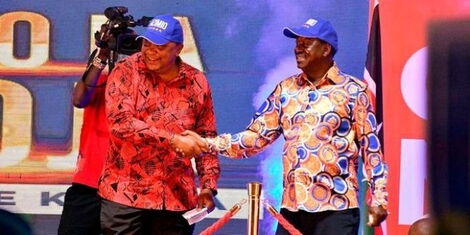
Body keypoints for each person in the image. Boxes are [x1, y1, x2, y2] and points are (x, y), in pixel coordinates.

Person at [183, 18, 389, 234]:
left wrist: (379, 198)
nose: (298, 48)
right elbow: (254, 139)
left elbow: (371, 149)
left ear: (326, 49)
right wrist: (205, 143)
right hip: (292, 209)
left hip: (336, 209)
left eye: (306, 43)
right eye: (296, 42)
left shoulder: (353, 91)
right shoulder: (286, 90)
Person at [98, 14, 220, 235]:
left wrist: (208, 186)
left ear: (178, 49)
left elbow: (206, 136)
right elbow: (120, 123)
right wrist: (173, 139)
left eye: (160, 46)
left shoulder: (197, 82)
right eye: (147, 44)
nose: (150, 51)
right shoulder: (126, 71)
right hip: (125, 194)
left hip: (176, 198)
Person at [58, 24, 112, 235]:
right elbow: (79, 98)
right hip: (87, 185)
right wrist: (102, 55)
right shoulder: (99, 82)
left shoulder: (146, 91)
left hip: (125, 192)